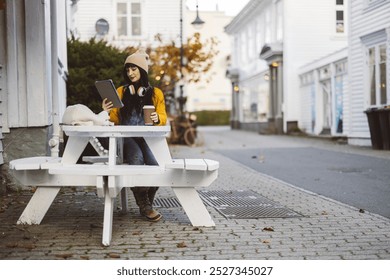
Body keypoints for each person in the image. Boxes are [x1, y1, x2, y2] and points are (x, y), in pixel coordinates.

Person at [102, 50, 167, 222]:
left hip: (148, 137)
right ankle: (145, 206)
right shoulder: (121, 91)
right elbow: (114, 120)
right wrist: (106, 111)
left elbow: (163, 116)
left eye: (134, 69)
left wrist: (157, 118)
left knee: (157, 164)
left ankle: (145, 202)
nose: (130, 73)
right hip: (127, 136)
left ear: (142, 70)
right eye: (128, 70)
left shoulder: (156, 93)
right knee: (136, 160)